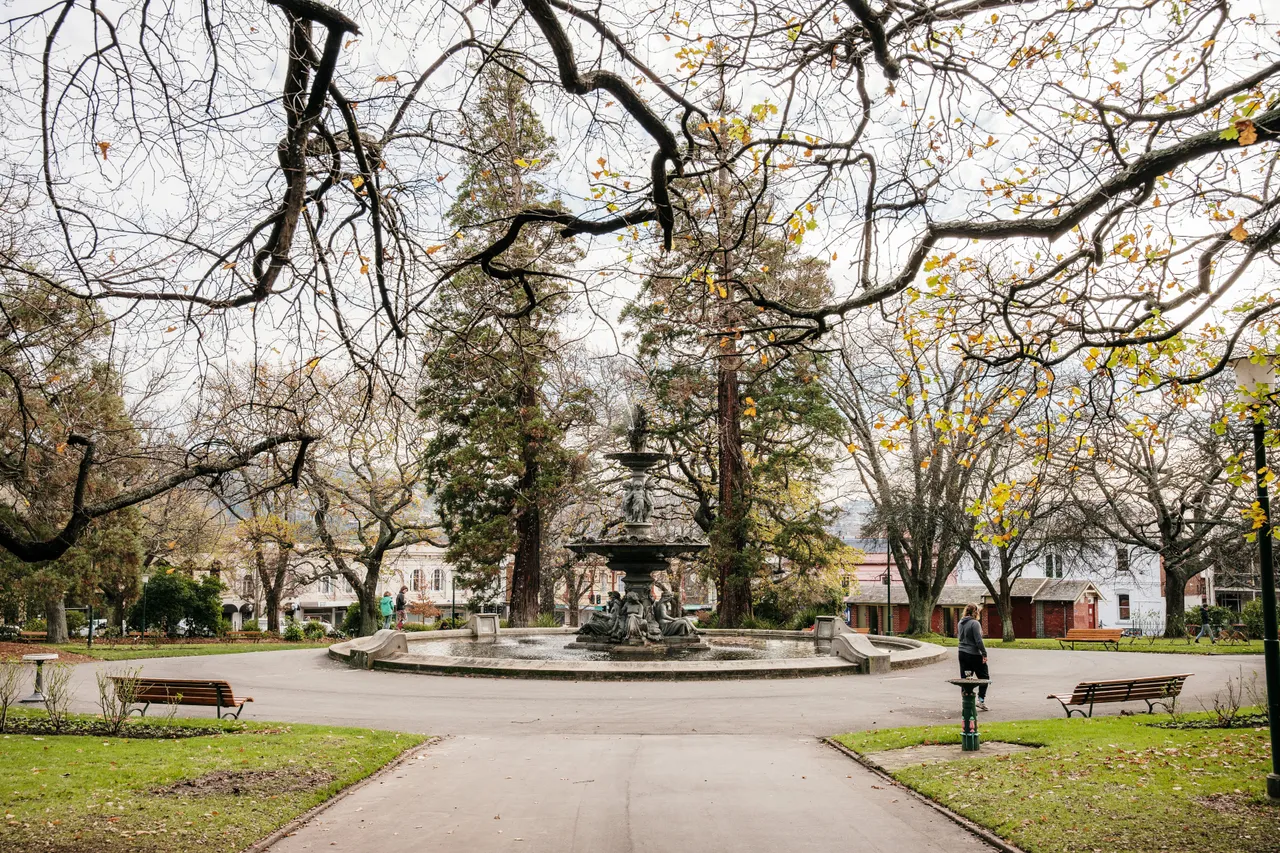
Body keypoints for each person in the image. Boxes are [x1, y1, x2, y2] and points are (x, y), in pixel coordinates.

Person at [957, 603, 990, 711]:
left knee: (966, 678)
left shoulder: (960, 623)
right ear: (975, 612)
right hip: (973, 653)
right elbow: (978, 641)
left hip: (962, 652)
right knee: (984, 676)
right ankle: (981, 700)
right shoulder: (975, 623)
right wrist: (984, 654)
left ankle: (966, 701)